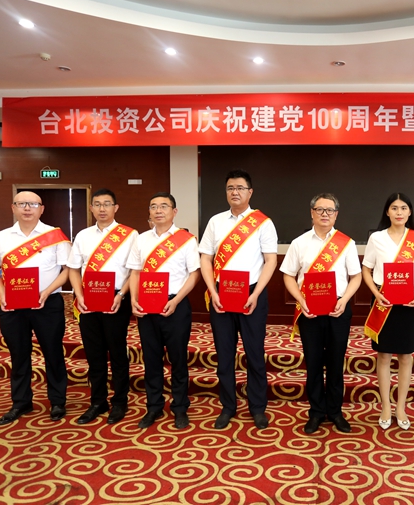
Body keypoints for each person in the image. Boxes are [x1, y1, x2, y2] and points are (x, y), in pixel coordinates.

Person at [199, 170, 278, 430]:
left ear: (250, 192)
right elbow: (205, 258)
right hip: (221, 294)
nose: (235, 192)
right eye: (230, 188)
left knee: (254, 353)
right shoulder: (215, 222)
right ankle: (228, 406)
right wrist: (213, 291)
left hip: (252, 294)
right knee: (224, 354)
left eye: (240, 188)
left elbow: (270, 261)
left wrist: (256, 294)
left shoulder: (263, 222)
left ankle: (257, 407)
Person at [0, 191, 71, 425]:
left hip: (48, 303)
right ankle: (21, 402)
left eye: (32, 204)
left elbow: (67, 270)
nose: (27, 208)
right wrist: (3, 292)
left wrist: (47, 291)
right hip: (12, 305)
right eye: (21, 203)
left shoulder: (55, 236)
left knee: (53, 352)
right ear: (13, 208)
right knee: (19, 354)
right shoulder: (1, 238)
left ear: (41, 209)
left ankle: (58, 401)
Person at [281, 193, 362, 434]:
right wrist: (301, 300)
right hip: (310, 311)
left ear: (336, 214)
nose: (325, 214)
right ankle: (316, 412)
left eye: (330, 210)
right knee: (314, 363)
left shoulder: (346, 243)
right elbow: (288, 275)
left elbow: (356, 277)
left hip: (338, 309)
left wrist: (344, 300)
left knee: (336, 364)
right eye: (320, 209)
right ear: (312, 212)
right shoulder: (299, 243)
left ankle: (335, 412)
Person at [127, 192, 199, 430]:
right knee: (151, 359)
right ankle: (154, 406)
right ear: (149, 212)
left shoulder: (186, 240)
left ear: (174, 211)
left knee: (178, 359)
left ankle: (180, 407)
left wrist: (176, 300)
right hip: (146, 306)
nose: (158, 210)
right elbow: (135, 272)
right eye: (154, 206)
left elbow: (194, 274)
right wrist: (133, 300)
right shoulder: (141, 239)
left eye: (164, 206)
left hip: (175, 304)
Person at [67, 188, 138, 425]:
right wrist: (79, 295)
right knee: (94, 353)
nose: (102, 209)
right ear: (91, 208)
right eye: (97, 204)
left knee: (117, 352)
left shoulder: (130, 235)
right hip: (88, 301)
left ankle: (120, 401)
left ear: (116, 208)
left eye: (107, 204)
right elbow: (73, 269)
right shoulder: (83, 235)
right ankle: (97, 401)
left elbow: (135, 271)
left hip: (117, 300)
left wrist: (123, 294)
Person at [362, 193, 414, 430]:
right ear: (387, 212)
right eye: (394, 208)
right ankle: (385, 406)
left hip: (409, 300)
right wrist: (376, 293)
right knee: (383, 355)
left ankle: (401, 407)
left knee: (405, 356)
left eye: (403, 208)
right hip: (383, 299)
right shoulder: (376, 238)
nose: (399, 212)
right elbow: (366, 270)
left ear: (409, 212)